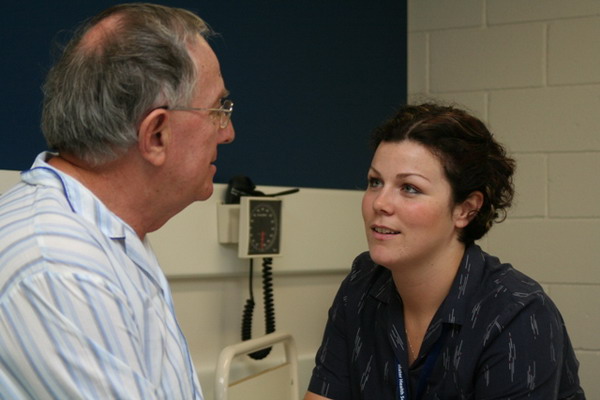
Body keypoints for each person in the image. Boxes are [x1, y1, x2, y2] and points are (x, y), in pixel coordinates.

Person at [0, 3, 234, 399]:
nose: (227, 132)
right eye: (218, 109)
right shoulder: (60, 267)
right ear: (156, 134)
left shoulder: (107, 232)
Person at [304, 103, 585, 399]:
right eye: (375, 182)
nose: (380, 203)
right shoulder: (361, 286)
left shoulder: (516, 313)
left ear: (465, 210)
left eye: (409, 188)